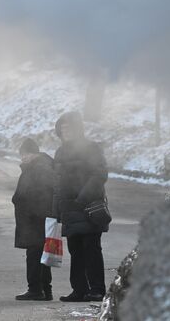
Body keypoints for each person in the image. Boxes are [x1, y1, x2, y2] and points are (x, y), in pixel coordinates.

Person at [53, 112, 109, 302]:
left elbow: (100, 174)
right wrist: (56, 210)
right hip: (68, 208)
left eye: (68, 127)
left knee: (91, 248)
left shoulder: (90, 148)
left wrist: (83, 197)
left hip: (88, 207)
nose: (64, 131)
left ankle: (97, 289)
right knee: (75, 250)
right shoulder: (60, 152)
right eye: (62, 128)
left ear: (77, 129)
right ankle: (79, 289)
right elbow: (57, 182)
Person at [12, 138, 54, 301]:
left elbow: (41, 192)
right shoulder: (39, 166)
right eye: (22, 155)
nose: (23, 158)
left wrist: (33, 211)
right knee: (41, 255)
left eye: (26, 154)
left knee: (35, 254)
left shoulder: (39, 168)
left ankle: (36, 289)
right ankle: (44, 290)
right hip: (37, 218)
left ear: (34, 153)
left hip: (36, 219)